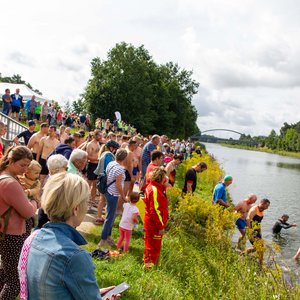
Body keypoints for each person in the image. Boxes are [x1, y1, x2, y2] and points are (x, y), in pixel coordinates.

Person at [19, 172, 120, 300]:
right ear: (76, 209)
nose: (87, 207)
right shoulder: (74, 256)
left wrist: (90, 292)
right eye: (86, 202)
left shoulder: (32, 239)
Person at [0, 146, 38, 300]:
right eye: (22, 165)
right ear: (11, 161)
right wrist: (35, 201)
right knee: (15, 283)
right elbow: (28, 212)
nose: (25, 169)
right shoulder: (10, 183)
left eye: (28, 166)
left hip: (6, 233)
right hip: (12, 236)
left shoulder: (5, 177)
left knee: (4, 274)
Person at [99, 149, 127, 248]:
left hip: (107, 191)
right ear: (124, 158)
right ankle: (103, 240)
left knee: (110, 214)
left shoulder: (111, 163)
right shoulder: (119, 169)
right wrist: (123, 196)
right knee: (110, 218)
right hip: (113, 194)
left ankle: (109, 236)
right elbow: (119, 185)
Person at [144, 167, 169, 268]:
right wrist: (160, 226)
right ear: (160, 177)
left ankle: (149, 264)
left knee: (151, 245)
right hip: (154, 225)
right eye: (164, 177)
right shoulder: (154, 190)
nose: (166, 179)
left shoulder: (156, 188)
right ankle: (149, 268)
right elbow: (154, 210)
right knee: (153, 247)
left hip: (153, 224)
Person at [36, 154, 68, 229]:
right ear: (56, 170)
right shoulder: (56, 181)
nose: (67, 170)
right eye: (65, 168)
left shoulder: (53, 179)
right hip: (51, 215)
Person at [94, 140, 120, 225]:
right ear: (111, 148)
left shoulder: (104, 154)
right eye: (115, 149)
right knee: (105, 200)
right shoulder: (109, 156)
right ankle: (104, 218)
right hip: (106, 180)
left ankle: (99, 216)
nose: (116, 151)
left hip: (102, 179)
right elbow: (110, 168)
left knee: (102, 199)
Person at [18, 160, 42, 236]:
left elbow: (36, 190)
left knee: (31, 212)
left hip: (31, 198)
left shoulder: (36, 182)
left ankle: (33, 218)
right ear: (27, 172)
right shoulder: (21, 178)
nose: (38, 175)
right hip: (21, 198)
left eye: (39, 173)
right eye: (36, 173)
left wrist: (28, 191)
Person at [86, 130, 102, 207]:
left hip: (97, 165)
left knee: (95, 184)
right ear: (95, 135)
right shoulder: (90, 144)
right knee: (88, 183)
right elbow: (87, 156)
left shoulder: (98, 144)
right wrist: (97, 159)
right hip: (91, 165)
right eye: (99, 135)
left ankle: (92, 200)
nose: (101, 137)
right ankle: (84, 200)